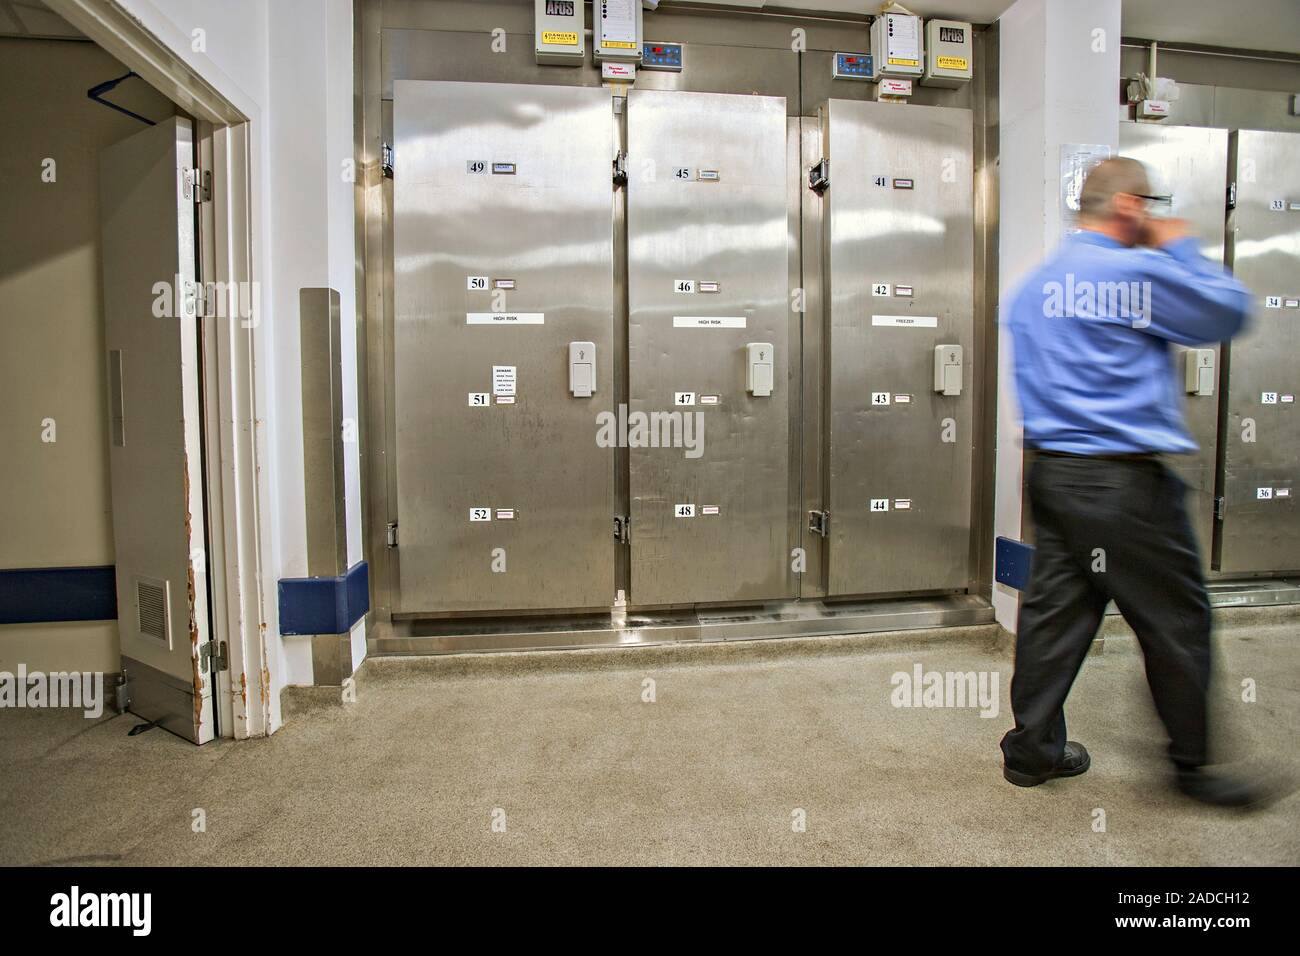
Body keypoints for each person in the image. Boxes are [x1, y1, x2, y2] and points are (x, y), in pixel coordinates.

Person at [1001, 157, 1257, 806]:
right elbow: (1228, 313)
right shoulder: (1136, 273)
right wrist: (1183, 249)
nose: (1156, 213)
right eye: (1151, 202)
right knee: (1175, 621)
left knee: (1055, 615)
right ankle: (1194, 771)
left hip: (1053, 474)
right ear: (1127, 207)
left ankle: (1032, 752)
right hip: (1122, 485)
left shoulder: (1034, 286)